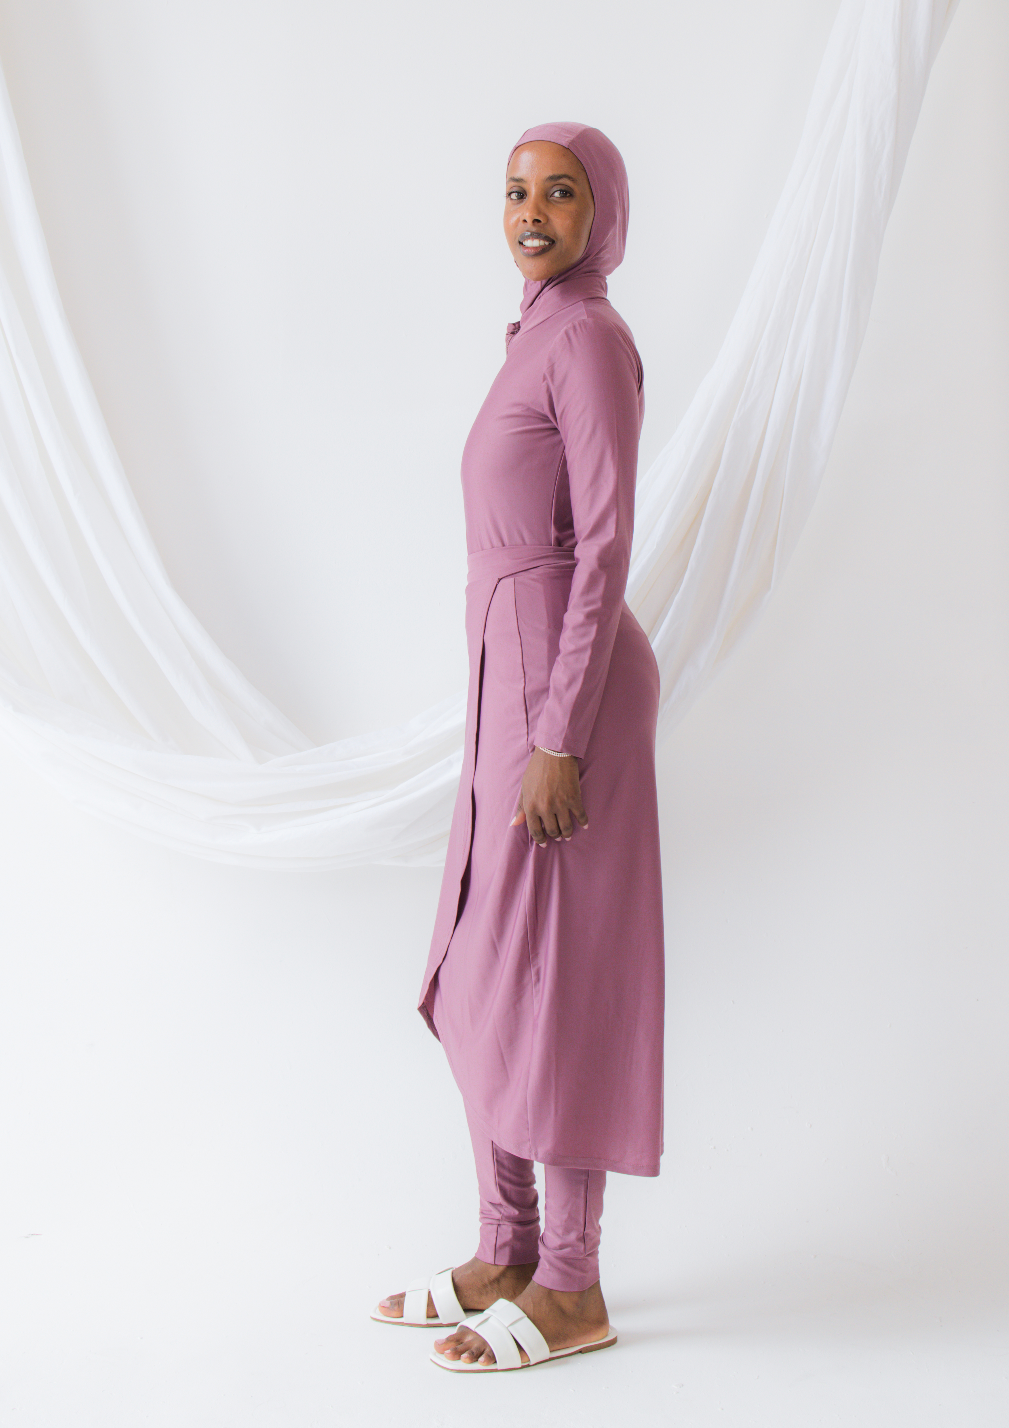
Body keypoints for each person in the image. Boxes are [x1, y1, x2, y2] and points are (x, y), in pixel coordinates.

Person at [373, 121, 665, 1373]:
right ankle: (506, 1247)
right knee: (484, 962)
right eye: (515, 191)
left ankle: (572, 1285)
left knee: (558, 972)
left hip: (565, 698)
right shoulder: (536, 336)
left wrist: (558, 735)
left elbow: (602, 544)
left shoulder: (587, 337)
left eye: (561, 193)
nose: (532, 212)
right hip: (513, 685)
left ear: (603, 215)